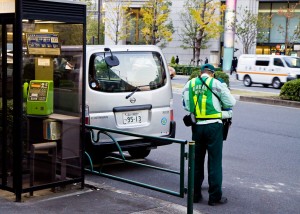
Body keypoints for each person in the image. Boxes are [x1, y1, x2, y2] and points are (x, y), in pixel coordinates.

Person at [182, 64, 236, 206]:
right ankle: (214, 197)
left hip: (197, 127)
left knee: (196, 161)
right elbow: (231, 102)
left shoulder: (190, 83)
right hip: (214, 127)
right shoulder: (217, 83)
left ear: (201, 73)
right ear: (212, 73)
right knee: (214, 162)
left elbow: (187, 106)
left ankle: (195, 195)